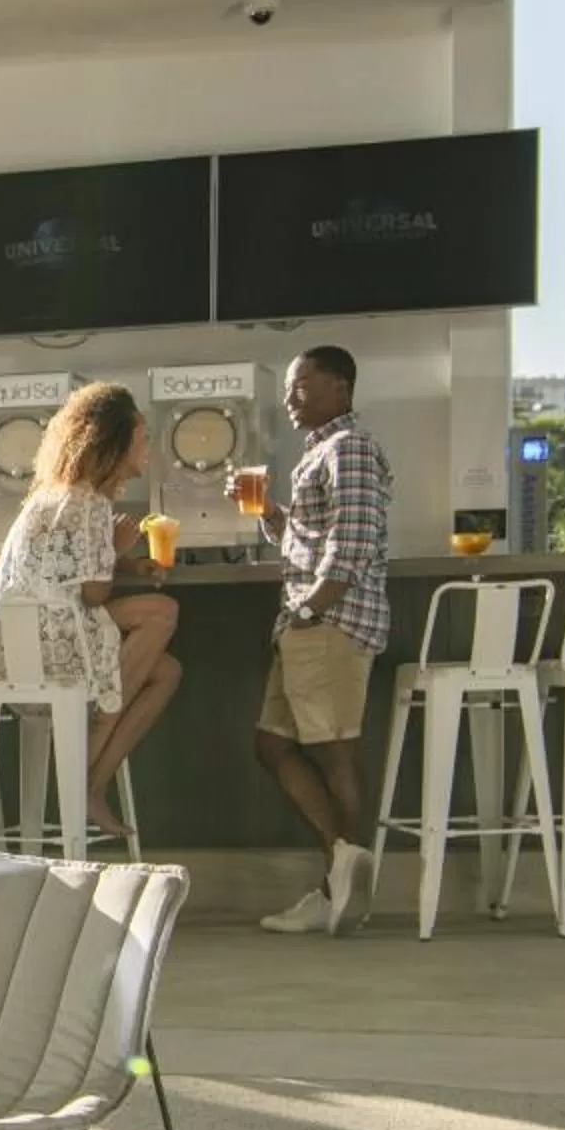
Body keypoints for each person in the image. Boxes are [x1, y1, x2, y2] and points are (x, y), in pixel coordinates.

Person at [0, 383, 182, 838]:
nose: (148, 447)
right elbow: (92, 594)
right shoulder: (88, 501)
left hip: (13, 651)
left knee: (165, 671)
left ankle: (92, 783)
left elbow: (62, 569)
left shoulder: (55, 495)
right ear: (112, 441)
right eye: (142, 437)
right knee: (162, 612)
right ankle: (84, 761)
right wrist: (118, 545)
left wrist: (123, 559)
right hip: (52, 650)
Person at [253, 346, 393, 936]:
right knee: (274, 745)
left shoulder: (350, 448)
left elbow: (351, 546)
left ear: (340, 387)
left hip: (329, 625)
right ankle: (342, 870)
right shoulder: (322, 452)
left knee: (334, 748)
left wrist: (312, 610)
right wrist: (271, 515)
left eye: (301, 385)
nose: (290, 397)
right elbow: (315, 538)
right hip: (306, 624)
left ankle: (344, 884)